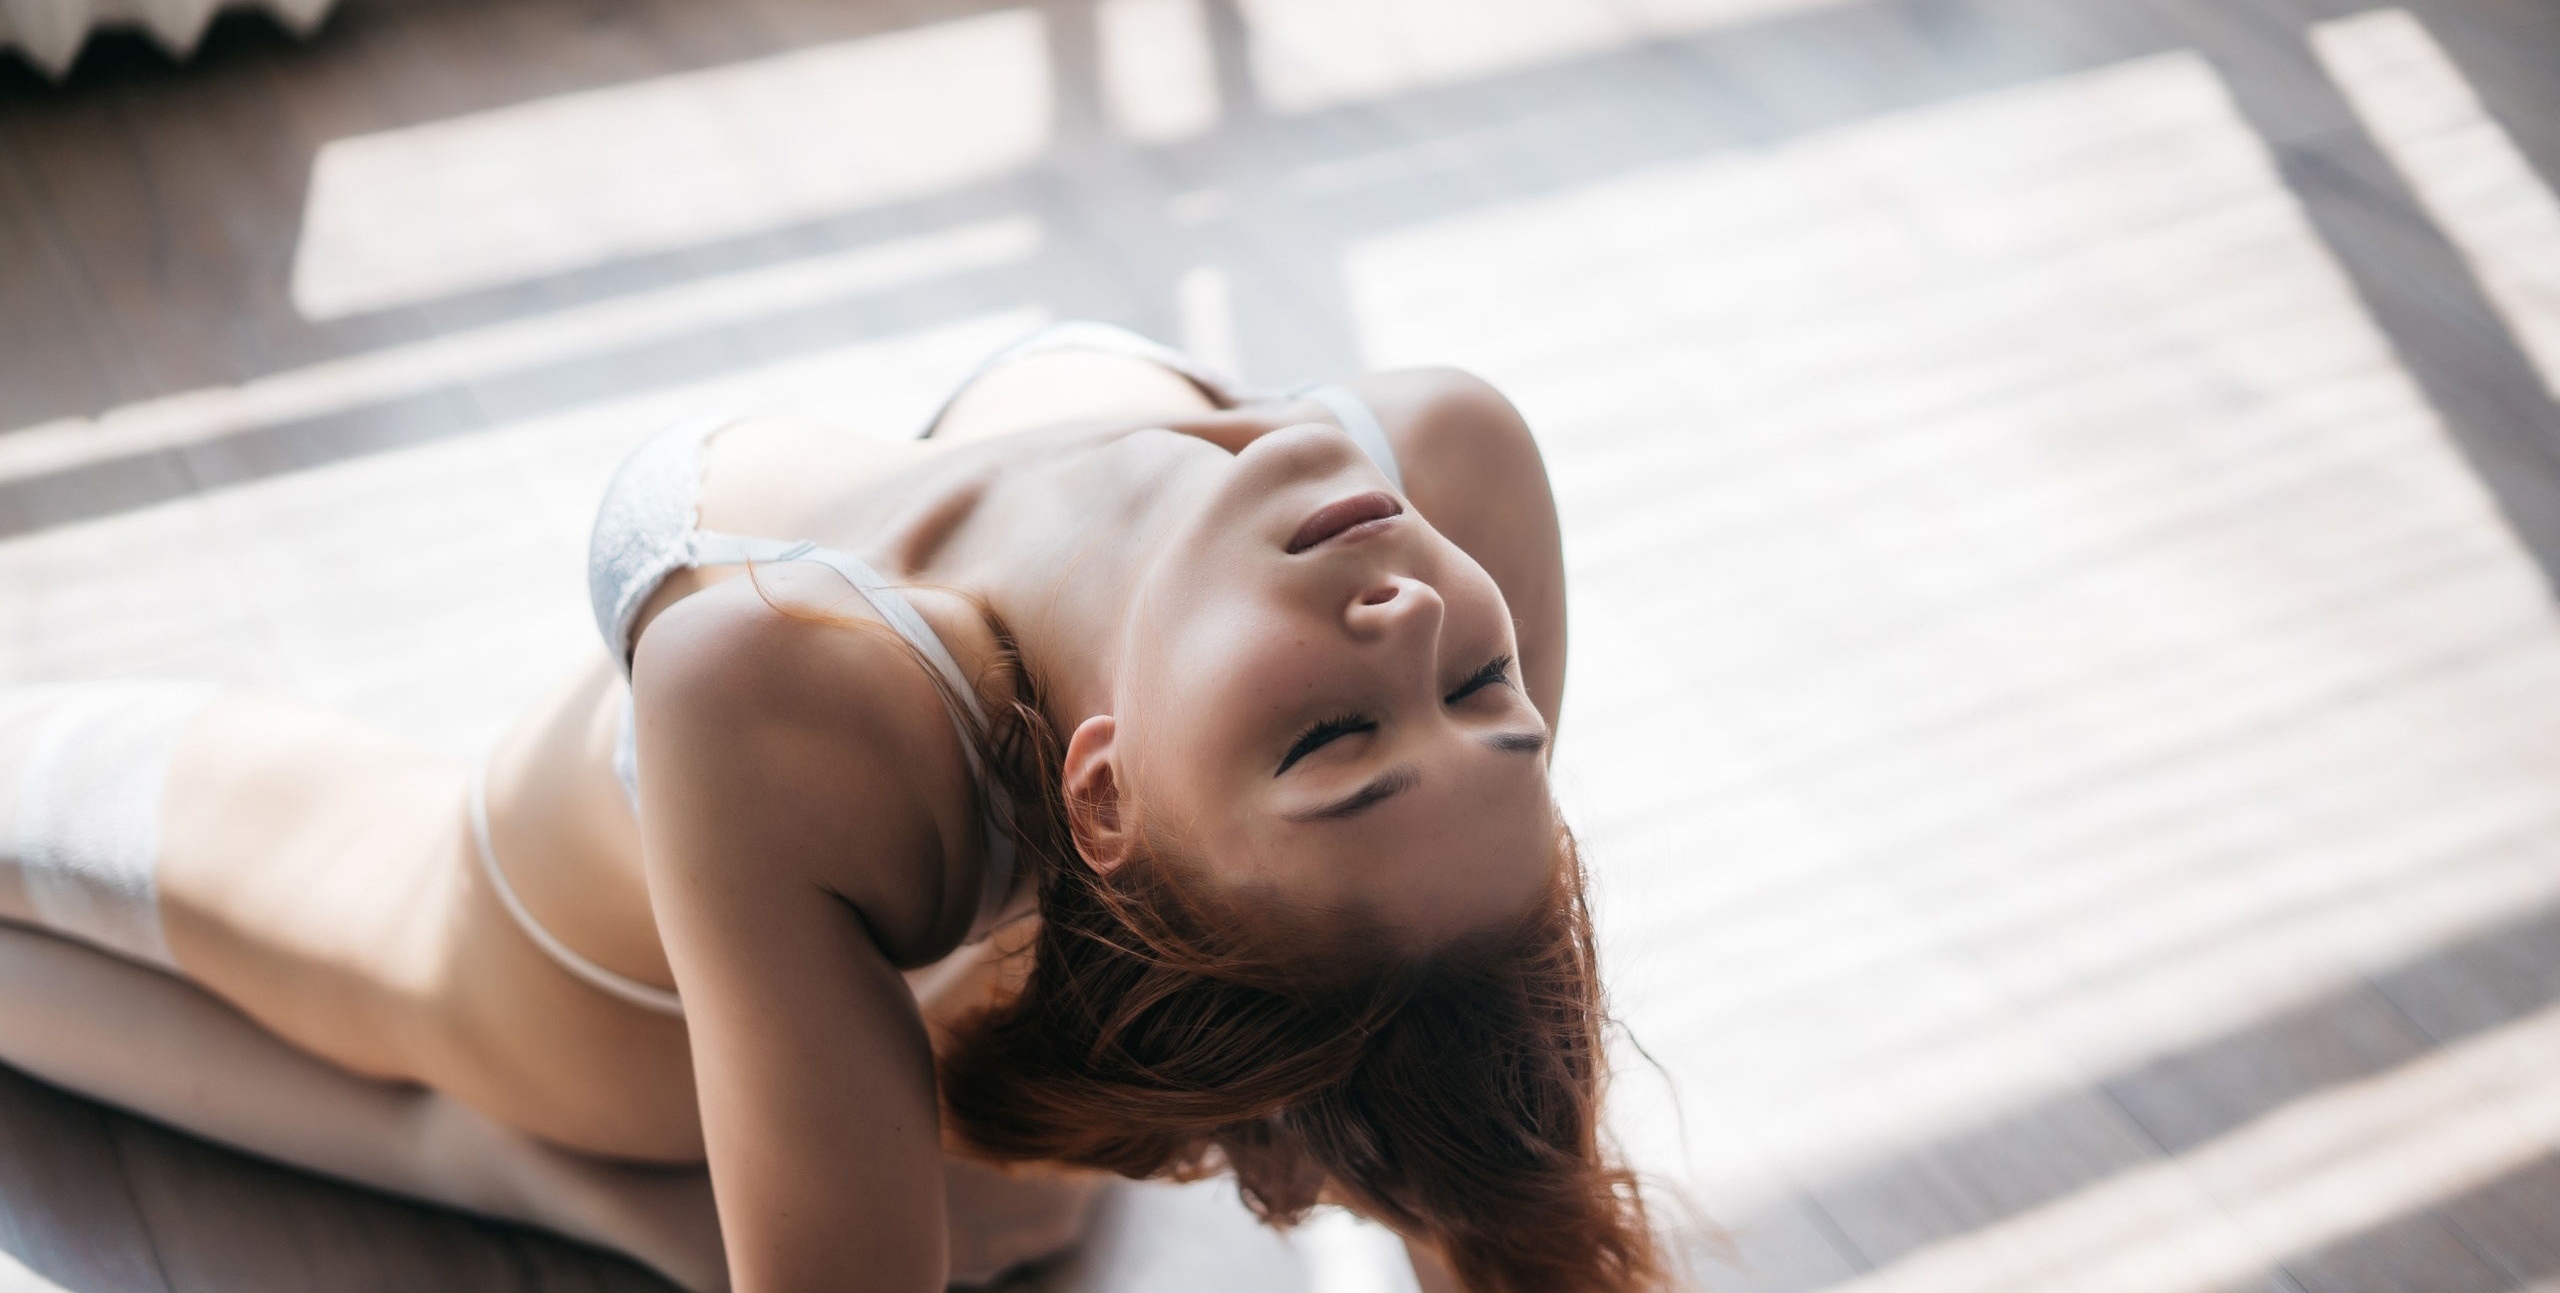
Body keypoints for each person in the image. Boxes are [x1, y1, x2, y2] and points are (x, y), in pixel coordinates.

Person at [0, 324, 1665, 1293]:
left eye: (1324, 743)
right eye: (1483, 701)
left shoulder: (775, 687)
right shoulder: (1447, 469)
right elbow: (1460, 1049)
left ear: (1106, 790)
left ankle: (618, 1179)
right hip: (895, 991)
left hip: (566, 989)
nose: (1414, 625)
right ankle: (912, 1185)